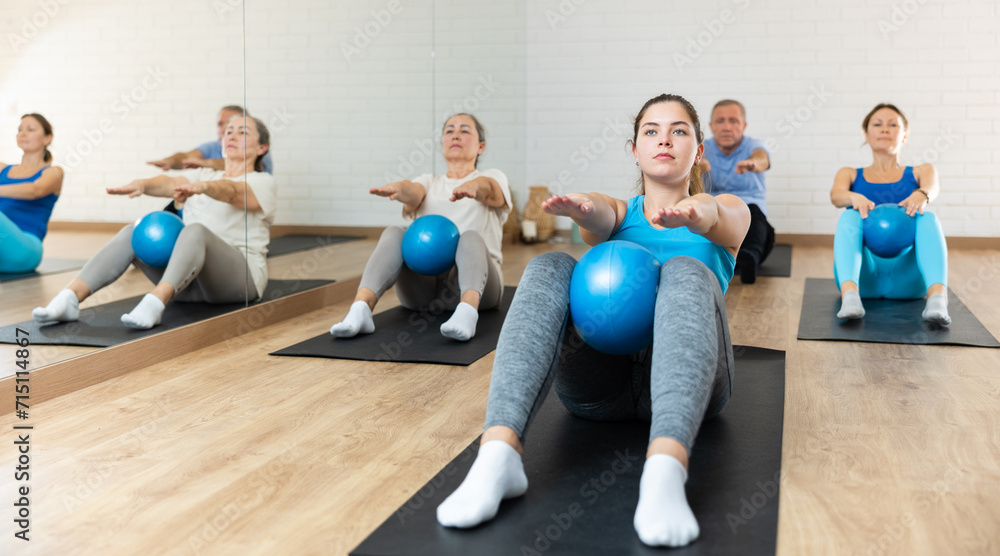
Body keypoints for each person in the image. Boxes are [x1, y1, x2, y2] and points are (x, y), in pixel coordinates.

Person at [435, 94, 750, 548]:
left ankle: (665, 471)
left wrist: (695, 214)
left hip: (694, 388)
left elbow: (717, 216)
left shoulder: (728, 208)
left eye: (679, 131)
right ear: (636, 149)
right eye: (651, 131)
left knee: (685, 269)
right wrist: (584, 208)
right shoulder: (623, 212)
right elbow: (601, 212)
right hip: (598, 388)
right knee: (550, 264)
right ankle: (498, 458)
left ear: (698, 150)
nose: (664, 139)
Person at [32, 116, 275, 329]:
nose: (232, 136)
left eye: (243, 132)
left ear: (262, 147)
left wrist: (206, 188)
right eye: (228, 131)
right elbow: (168, 183)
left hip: (240, 283)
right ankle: (69, 299)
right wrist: (143, 185)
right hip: (188, 284)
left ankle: (154, 302)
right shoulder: (202, 175)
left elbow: (232, 192)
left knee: (195, 231)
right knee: (133, 232)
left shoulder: (263, 182)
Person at [330, 113, 511, 342]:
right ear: (443, 142)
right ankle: (360, 310)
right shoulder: (429, 182)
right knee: (395, 232)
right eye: (449, 130)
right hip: (423, 293)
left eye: (465, 130)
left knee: (470, 237)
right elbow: (412, 190)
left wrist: (473, 187)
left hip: (480, 289)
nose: (456, 135)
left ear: (481, 146)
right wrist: (398, 188)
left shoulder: (492, 177)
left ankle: (467, 313)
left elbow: (489, 189)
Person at [829, 103, 949, 325]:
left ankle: (937, 300)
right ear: (866, 133)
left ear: (904, 135)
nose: (885, 129)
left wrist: (922, 194)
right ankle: (850, 297)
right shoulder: (850, 174)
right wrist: (853, 198)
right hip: (864, 277)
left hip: (909, 282)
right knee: (849, 215)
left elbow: (932, 188)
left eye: (893, 125)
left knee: (928, 217)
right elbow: (836, 196)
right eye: (877, 124)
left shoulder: (922, 171)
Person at [700, 99, 773, 283]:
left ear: (743, 125)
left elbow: (762, 158)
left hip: (749, 219)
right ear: (711, 126)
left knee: (756, 217)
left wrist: (753, 163)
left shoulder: (752, 146)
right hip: (715, 216)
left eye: (733, 121)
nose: (726, 127)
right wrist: (694, 166)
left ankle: (749, 258)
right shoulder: (701, 150)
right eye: (720, 121)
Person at [1, 114, 64, 274]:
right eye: (19, 130)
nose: (23, 133)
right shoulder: (2, 169)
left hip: (25, 249)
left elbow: (35, 190)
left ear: (47, 138)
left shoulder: (54, 172)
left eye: (30, 129)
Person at [147, 105, 274, 174]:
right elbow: (188, 157)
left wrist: (206, 163)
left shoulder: (257, 150)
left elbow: (243, 166)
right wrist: (170, 161)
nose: (225, 131)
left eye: (231, 125)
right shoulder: (213, 146)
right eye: (220, 125)